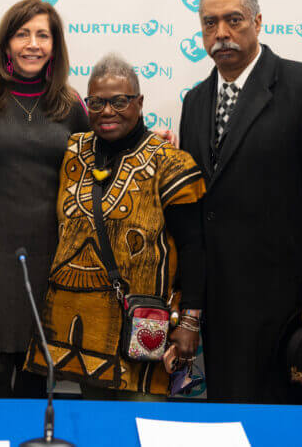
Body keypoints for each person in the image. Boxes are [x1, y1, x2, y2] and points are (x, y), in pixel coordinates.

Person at [179, 0, 302, 403]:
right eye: (209, 23)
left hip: (288, 300)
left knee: (283, 423)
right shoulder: (196, 101)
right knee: (228, 409)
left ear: (257, 22)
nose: (221, 33)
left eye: (233, 20)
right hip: (221, 302)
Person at [25, 54, 205, 398]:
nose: (107, 111)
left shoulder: (171, 163)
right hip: (80, 334)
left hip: (142, 334)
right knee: (94, 427)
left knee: (140, 422)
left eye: (119, 101)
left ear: (139, 103)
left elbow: (195, 248)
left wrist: (190, 322)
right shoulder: (72, 153)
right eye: (97, 102)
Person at [0, 0, 89, 398]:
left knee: (40, 375)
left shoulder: (71, 105)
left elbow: (103, 160)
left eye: (42, 35)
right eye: (22, 34)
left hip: (52, 255)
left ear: (55, 46)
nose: (32, 44)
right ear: (6, 44)